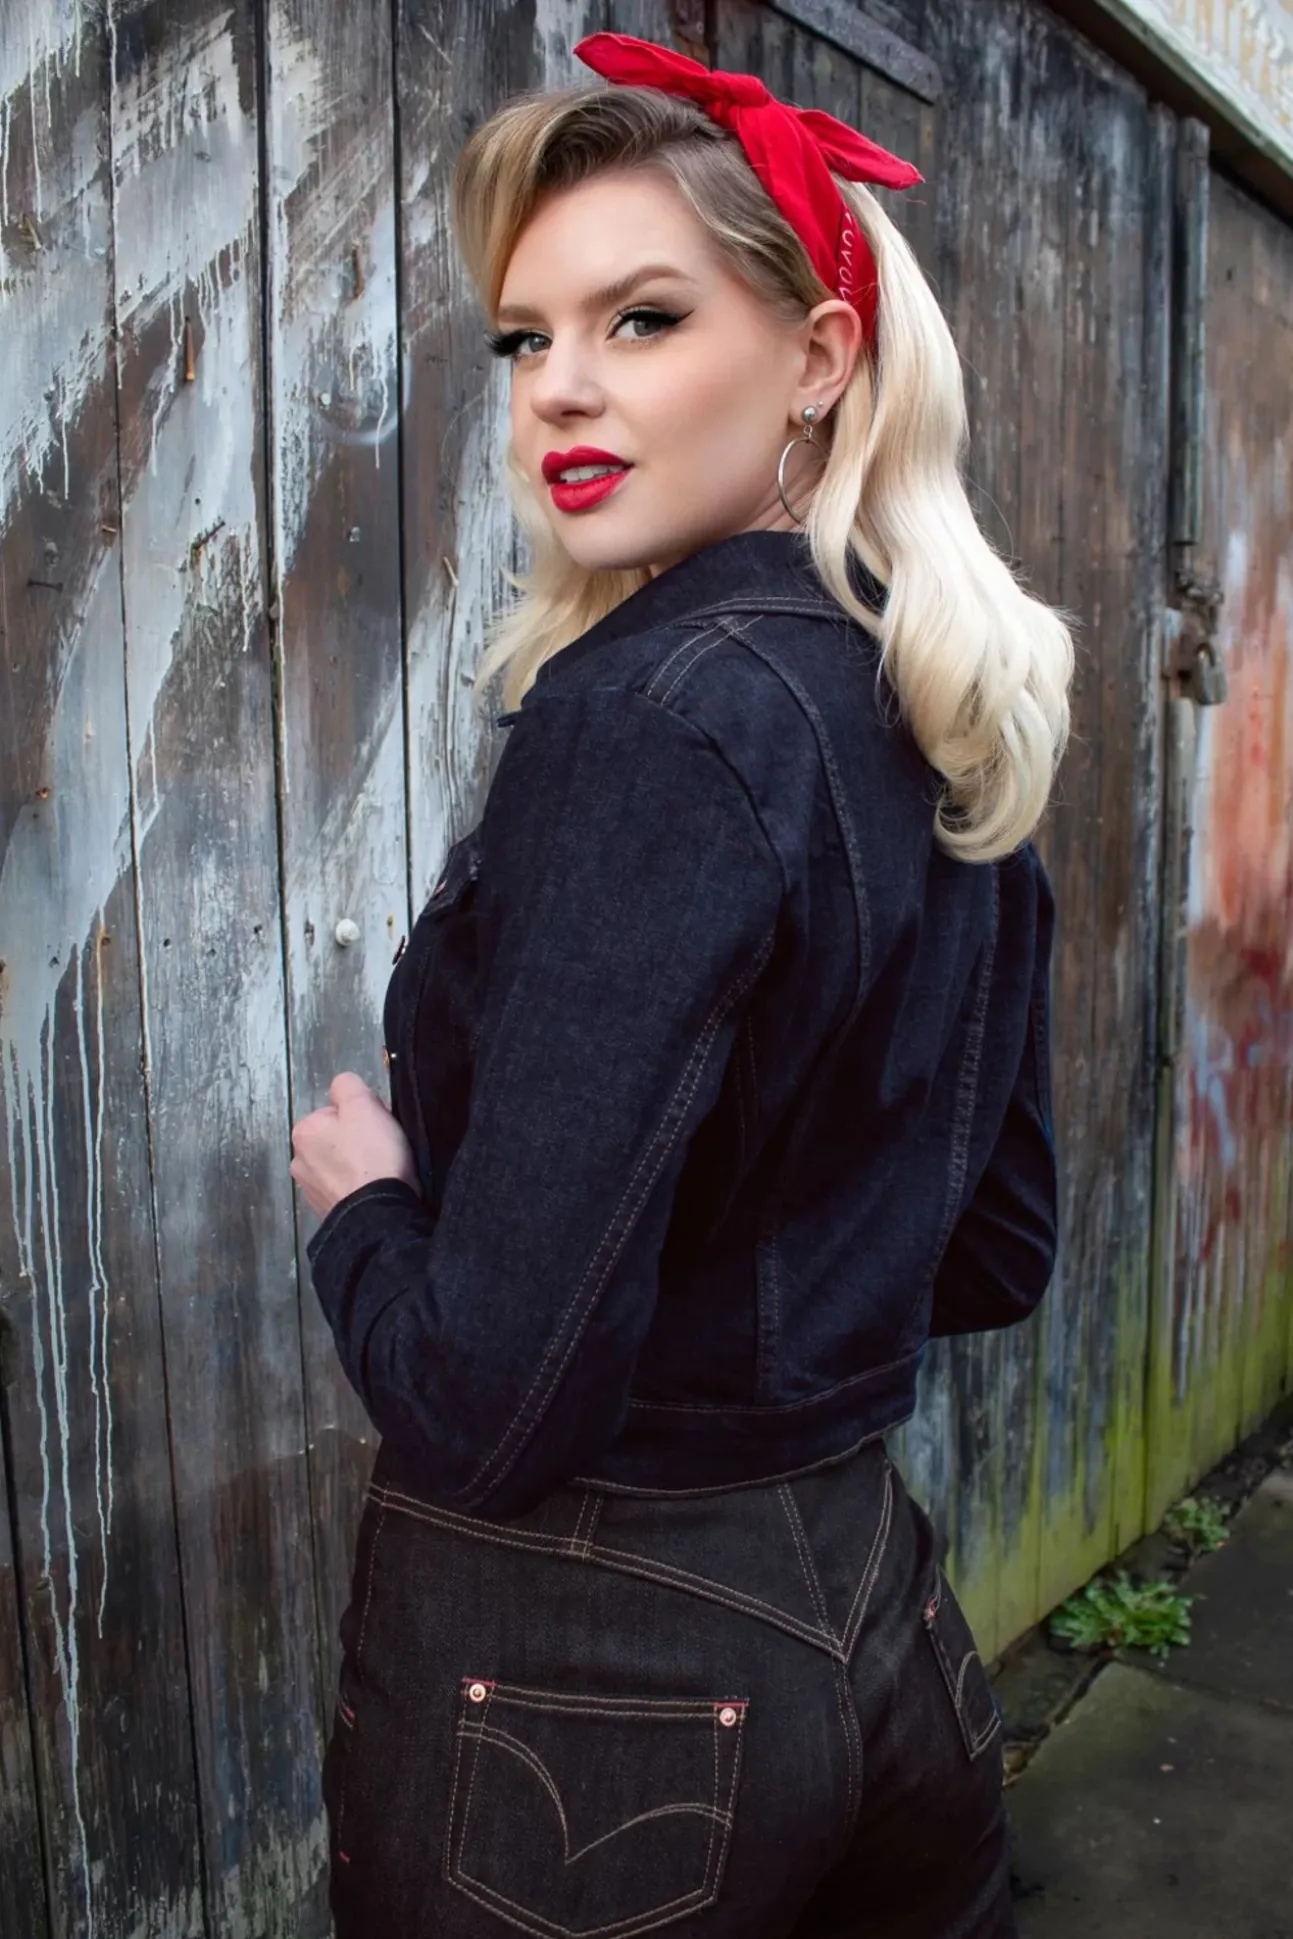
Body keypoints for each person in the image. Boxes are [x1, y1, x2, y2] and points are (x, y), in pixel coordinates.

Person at [289, 32, 1070, 1938]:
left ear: (818, 357)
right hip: (868, 1611)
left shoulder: (654, 722)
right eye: (524, 336)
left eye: (642, 318)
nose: (558, 384)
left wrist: (364, 1210)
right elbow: (993, 1249)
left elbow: (489, 1403)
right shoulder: (935, 696)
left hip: (588, 1690)